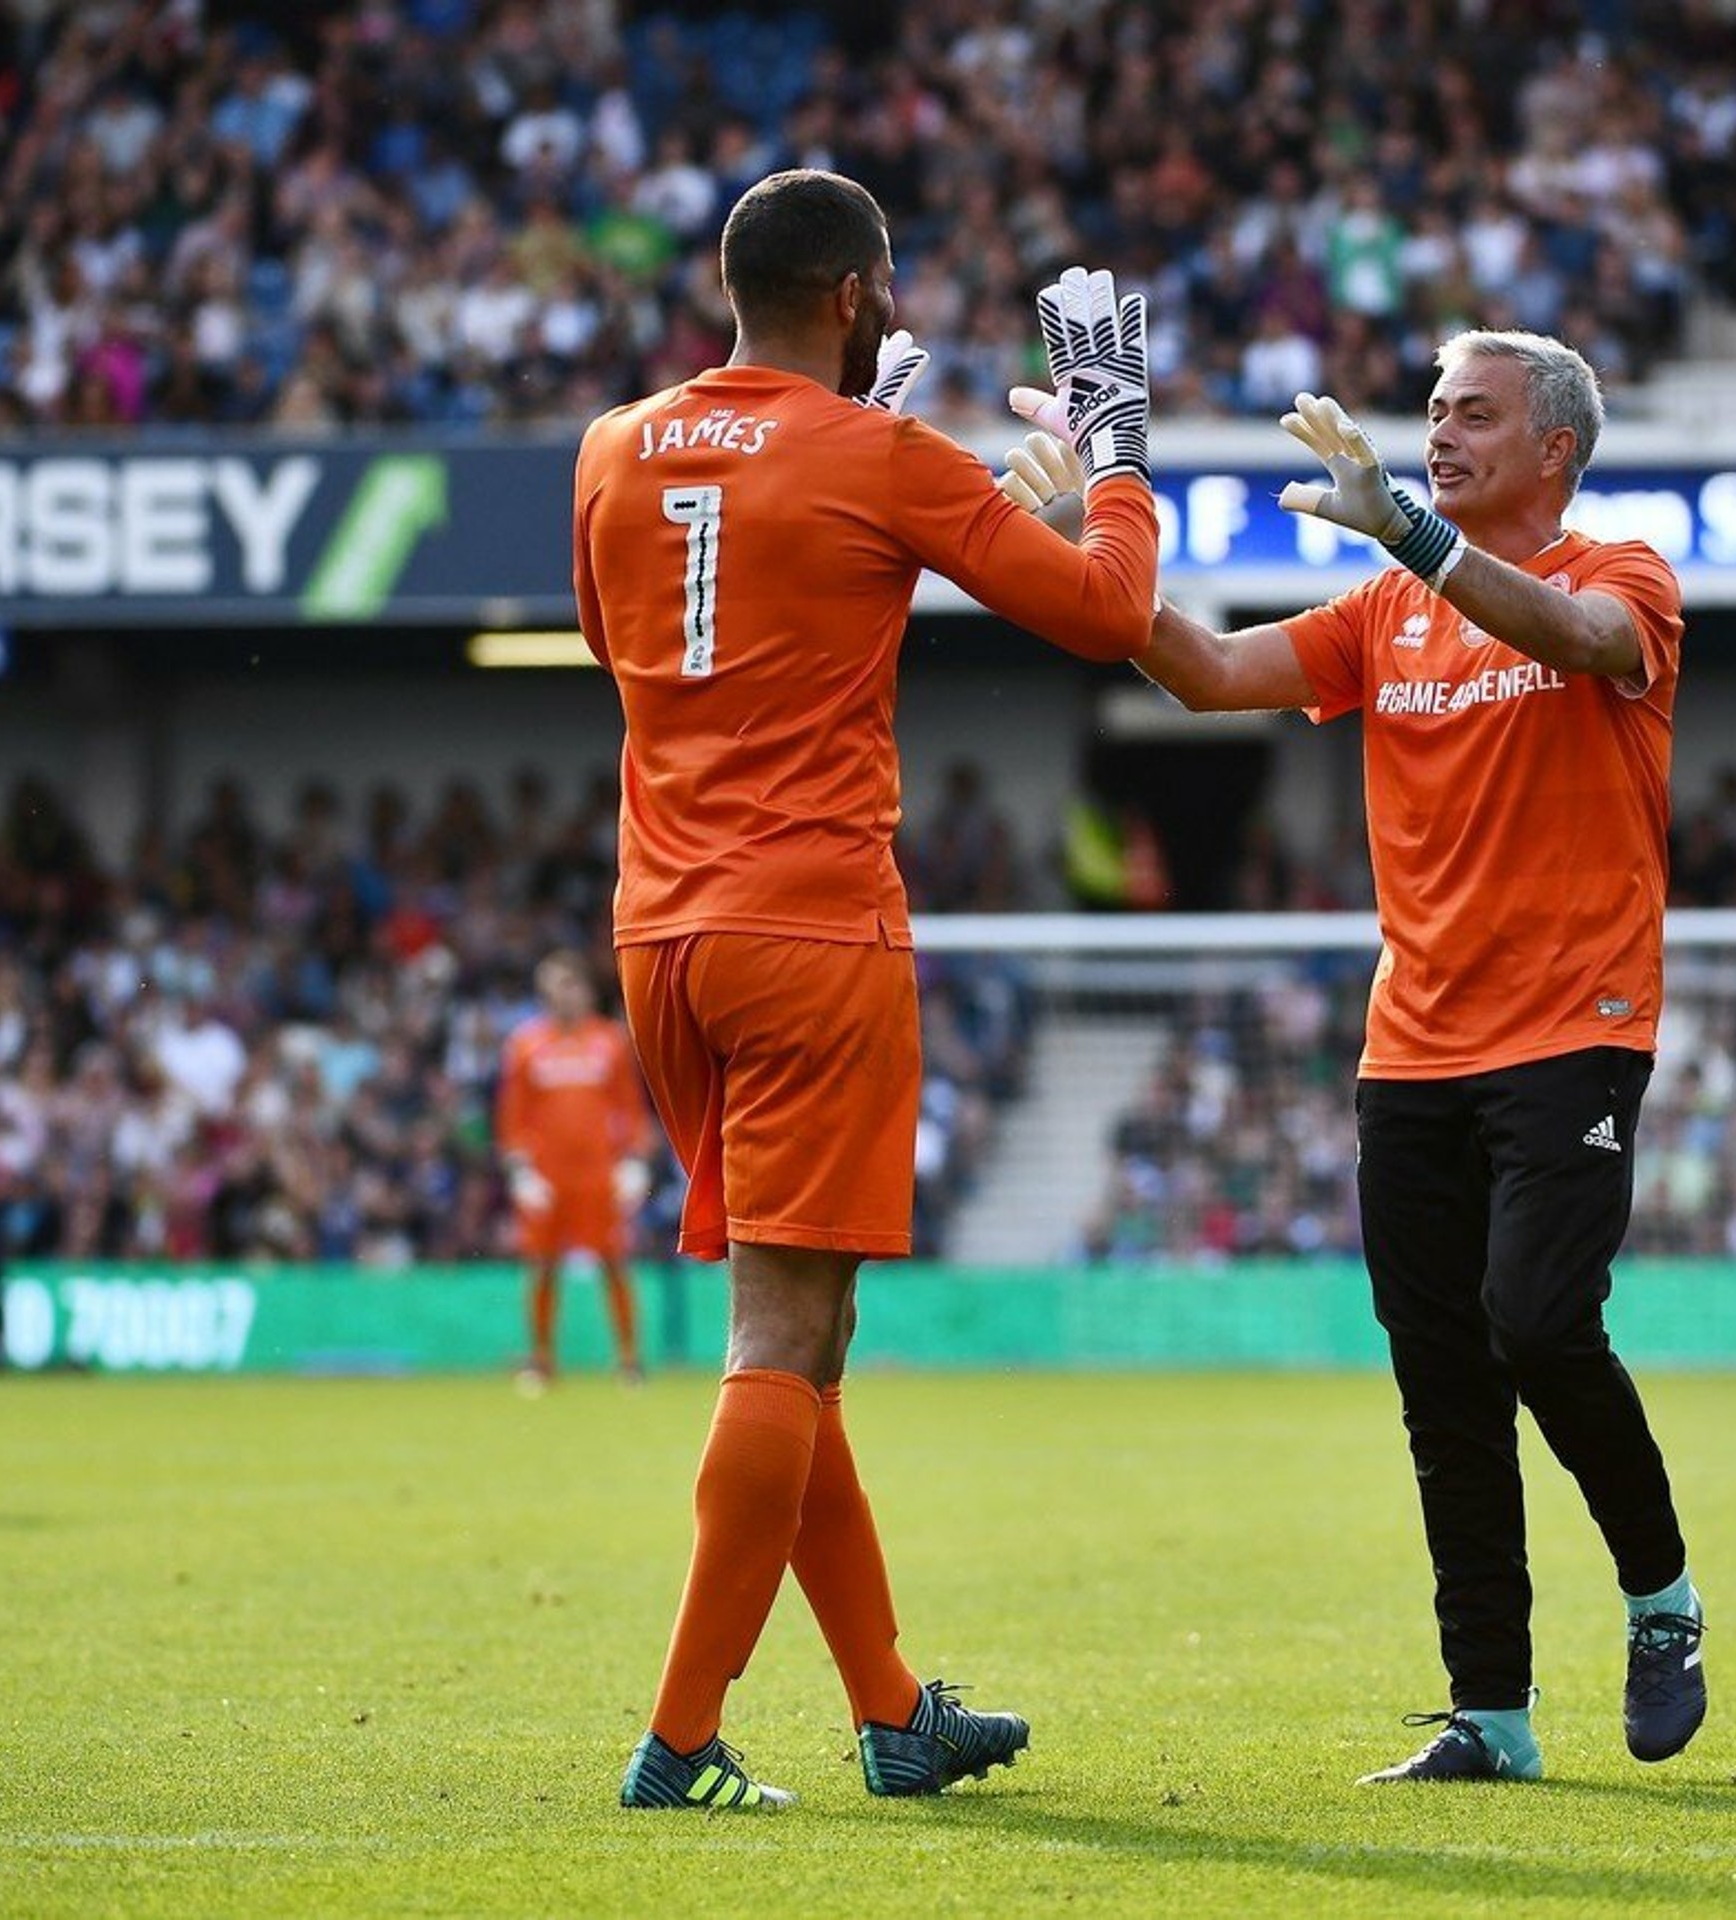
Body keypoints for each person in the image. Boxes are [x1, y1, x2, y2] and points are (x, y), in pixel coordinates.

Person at [1022, 333, 1704, 1783]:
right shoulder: (1383, 611)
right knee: (1442, 1381)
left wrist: (1410, 529)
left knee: (1538, 1325)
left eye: (1475, 415)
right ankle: (1492, 1715)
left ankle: (1661, 1598)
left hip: (1573, 1031)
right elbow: (1206, 672)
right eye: (1435, 411)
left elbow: (1576, 640)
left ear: (1555, 451)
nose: (1439, 431)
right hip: (1412, 1049)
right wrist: (1094, 543)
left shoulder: (1622, 576)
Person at [574, 168, 1157, 1811]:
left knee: (809, 1333)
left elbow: (634, 653)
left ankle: (894, 1711)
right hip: (812, 932)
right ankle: (680, 1739)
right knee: (783, 1333)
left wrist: (836, 500)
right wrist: (1114, 444)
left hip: (661, 934)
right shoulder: (876, 456)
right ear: (854, 298)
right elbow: (1109, 608)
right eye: (887, 284)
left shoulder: (612, 445)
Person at [497, 948, 652, 1390]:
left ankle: (629, 1361)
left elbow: (630, 1106)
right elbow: (512, 1114)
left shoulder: (610, 1041)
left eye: (567, 986)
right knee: (542, 1265)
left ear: (584, 990)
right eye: (551, 989)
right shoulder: (525, 1045)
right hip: (547, 1176)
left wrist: (634, 1160)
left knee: (614, 1262)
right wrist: (519, 1170)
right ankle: (541, 1360)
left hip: (599, 1174)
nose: (561, 997)